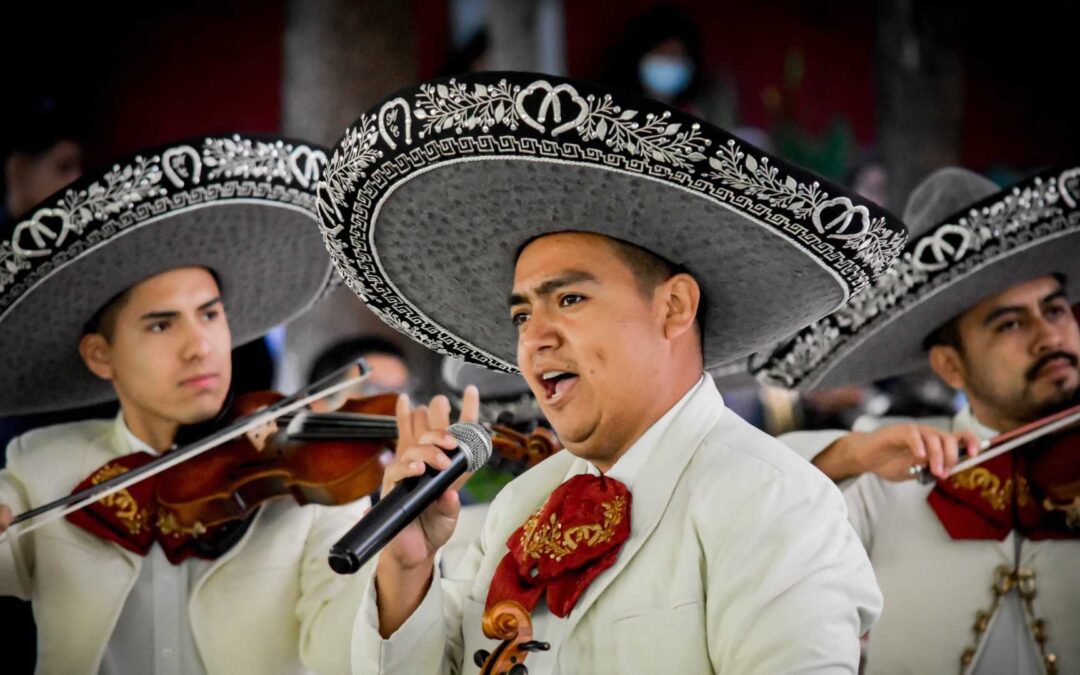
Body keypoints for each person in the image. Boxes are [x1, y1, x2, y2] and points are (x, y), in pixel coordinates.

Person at [314, 71, 906, 673]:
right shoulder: (517, 508)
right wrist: (408, 569)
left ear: (673, 307)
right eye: (522, 313)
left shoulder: (774, 500)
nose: (534, 337)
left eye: (569, 300)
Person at [0, 134, 376, 675]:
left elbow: (346, 658)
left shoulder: (308, 483)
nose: (200, 346)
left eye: (210, 314)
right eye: (161, 324)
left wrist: (395, 569)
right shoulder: (41, 466)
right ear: (100, 355)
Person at [761, 166, 1080, 673]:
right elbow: (753, 504)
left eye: (1056, 310)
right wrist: (850, 455)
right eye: (1012, 323)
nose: (1049, 338)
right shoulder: (885, 470)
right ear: (949, 366)